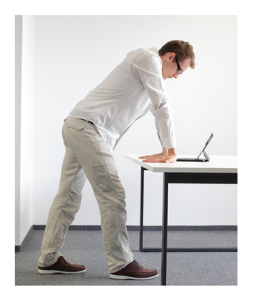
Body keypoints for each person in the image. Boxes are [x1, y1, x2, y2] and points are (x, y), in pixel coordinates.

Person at [37, 40, 195, 280]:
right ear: (170, 57)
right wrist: (170, 150)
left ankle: (48, 259)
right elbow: (161, 104)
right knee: (113, 195)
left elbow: (156, 107)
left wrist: (166, 150)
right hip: (87, 128)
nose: (177, 76)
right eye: (180, 70)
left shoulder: (152, 72)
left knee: (68, 196)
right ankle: (121, 263)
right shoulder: (147, 58)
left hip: (78, 126)